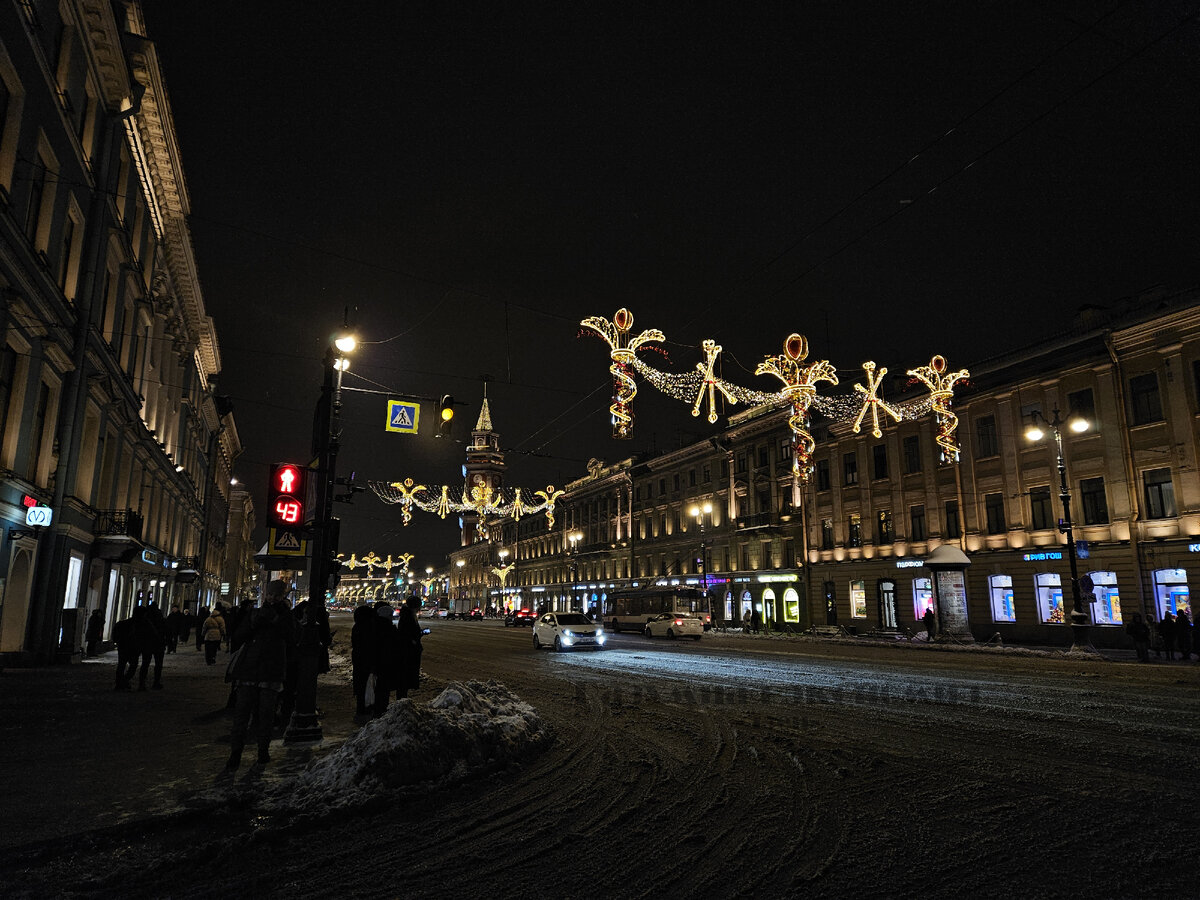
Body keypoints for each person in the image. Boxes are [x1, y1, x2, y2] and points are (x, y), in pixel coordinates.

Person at [226, 580, 297, 770]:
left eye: (277, 595)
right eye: (271, 594)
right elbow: (238, 636)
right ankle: (236, 754)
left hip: (269, 672)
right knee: (243, 715)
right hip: (252, 670)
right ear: (266, 595)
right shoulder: (255, 613)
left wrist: (276, 620)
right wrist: (254, 624)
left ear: (283, 596)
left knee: (265, 715)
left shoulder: (286, 616)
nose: (273, 598)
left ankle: (262, 752)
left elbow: (291, 639)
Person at [396, 594, 424, 699]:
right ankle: (402, 700)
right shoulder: (408, 617)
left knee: (405, 678)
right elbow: (407, 633)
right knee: (405, 677)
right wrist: (415, 639)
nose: (419, 609)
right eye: (418, 606)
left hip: (409, 650)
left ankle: (402, 697)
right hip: (408, 652)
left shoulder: (408, 615)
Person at [351, 604, 377, 715]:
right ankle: (366, 708)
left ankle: (360, 708)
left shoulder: (357, 627)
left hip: (358, 659)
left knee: (360, 685)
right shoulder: (369, 628)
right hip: (367, 660)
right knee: (368, 684)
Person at [136, 603, 167, 690]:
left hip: (147, 644)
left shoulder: (145, 619)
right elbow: (166, 630)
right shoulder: (160, 618)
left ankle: (141, 683)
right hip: (158, 644)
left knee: (145, 664)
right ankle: (156, 682)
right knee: (158, 664)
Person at [113, 612, 138, 690]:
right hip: (132, 648)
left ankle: (119, 683)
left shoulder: (121, 623)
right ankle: (124, 680)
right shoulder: (138, 625)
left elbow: (114, 633)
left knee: (121, 665)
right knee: (133, 665)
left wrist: (117, 641)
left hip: (122, 647)